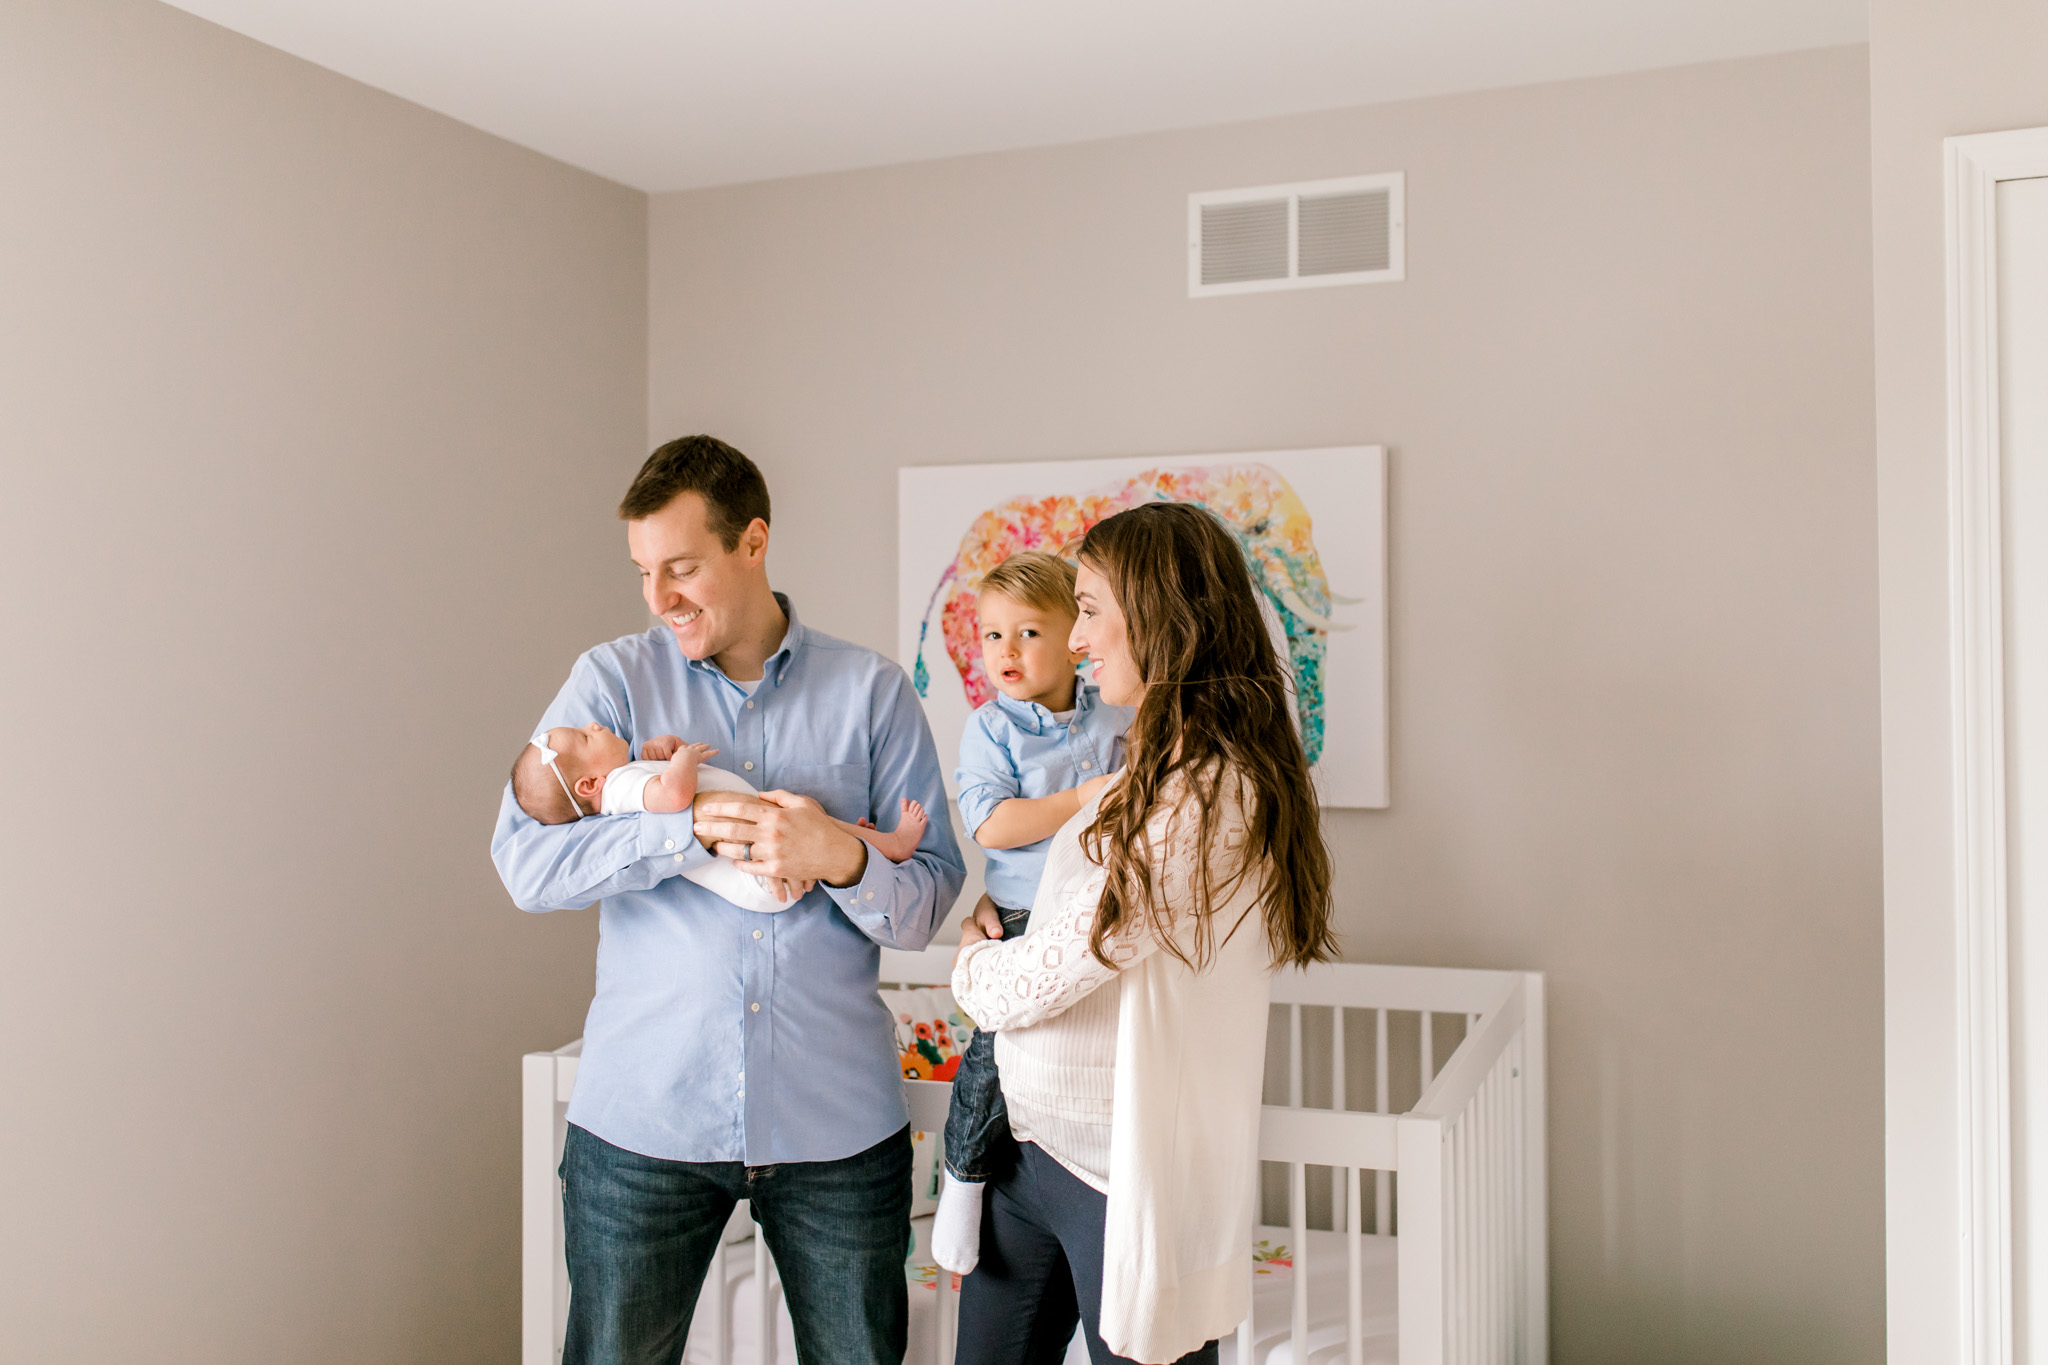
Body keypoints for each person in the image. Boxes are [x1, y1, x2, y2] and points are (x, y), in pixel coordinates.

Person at [490, 435, 965, 1365]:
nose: (658, 597)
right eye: (642, 571)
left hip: (837, 1128)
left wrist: (840, 857)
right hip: (643, 1123)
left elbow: (926, 905)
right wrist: (680, 830)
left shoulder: (871, 692)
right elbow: (525, 867)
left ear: (754, 542)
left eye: (682, 567)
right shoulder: (612, 684)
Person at [950, 501, 1338, 1365]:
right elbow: (1069, 917)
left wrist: (974, 962)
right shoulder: (1146, 765)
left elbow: (1070, 958)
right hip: (1031, 1143)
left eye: (1087, 610)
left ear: (1160, 614)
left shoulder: (1206, 791)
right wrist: (1002, 920)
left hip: (1114, 1173)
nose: (1076, 641)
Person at [933, 551, 1136, 1275]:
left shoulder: (1112, 714)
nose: (1005, 652)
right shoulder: (992, 729)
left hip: (1094, 917)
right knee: (992, 1058)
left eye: (1027, 633)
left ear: (1074, 635)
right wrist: (1086, 798)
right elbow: (991, 824)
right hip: (1023, 916)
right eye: (991, 635)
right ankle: (962, 1177)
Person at [511, 721, 930, 911]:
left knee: (809, 815)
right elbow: (675, 795)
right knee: (807, 818)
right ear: (589, 786)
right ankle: (889, 844)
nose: (594, 724)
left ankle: (867, 844)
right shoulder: (620, 788)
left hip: (761, 858)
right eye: (586, 737)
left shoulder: (623, 783)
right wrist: (684, 758)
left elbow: (656, 786)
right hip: (756, 874)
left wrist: (658, 753)